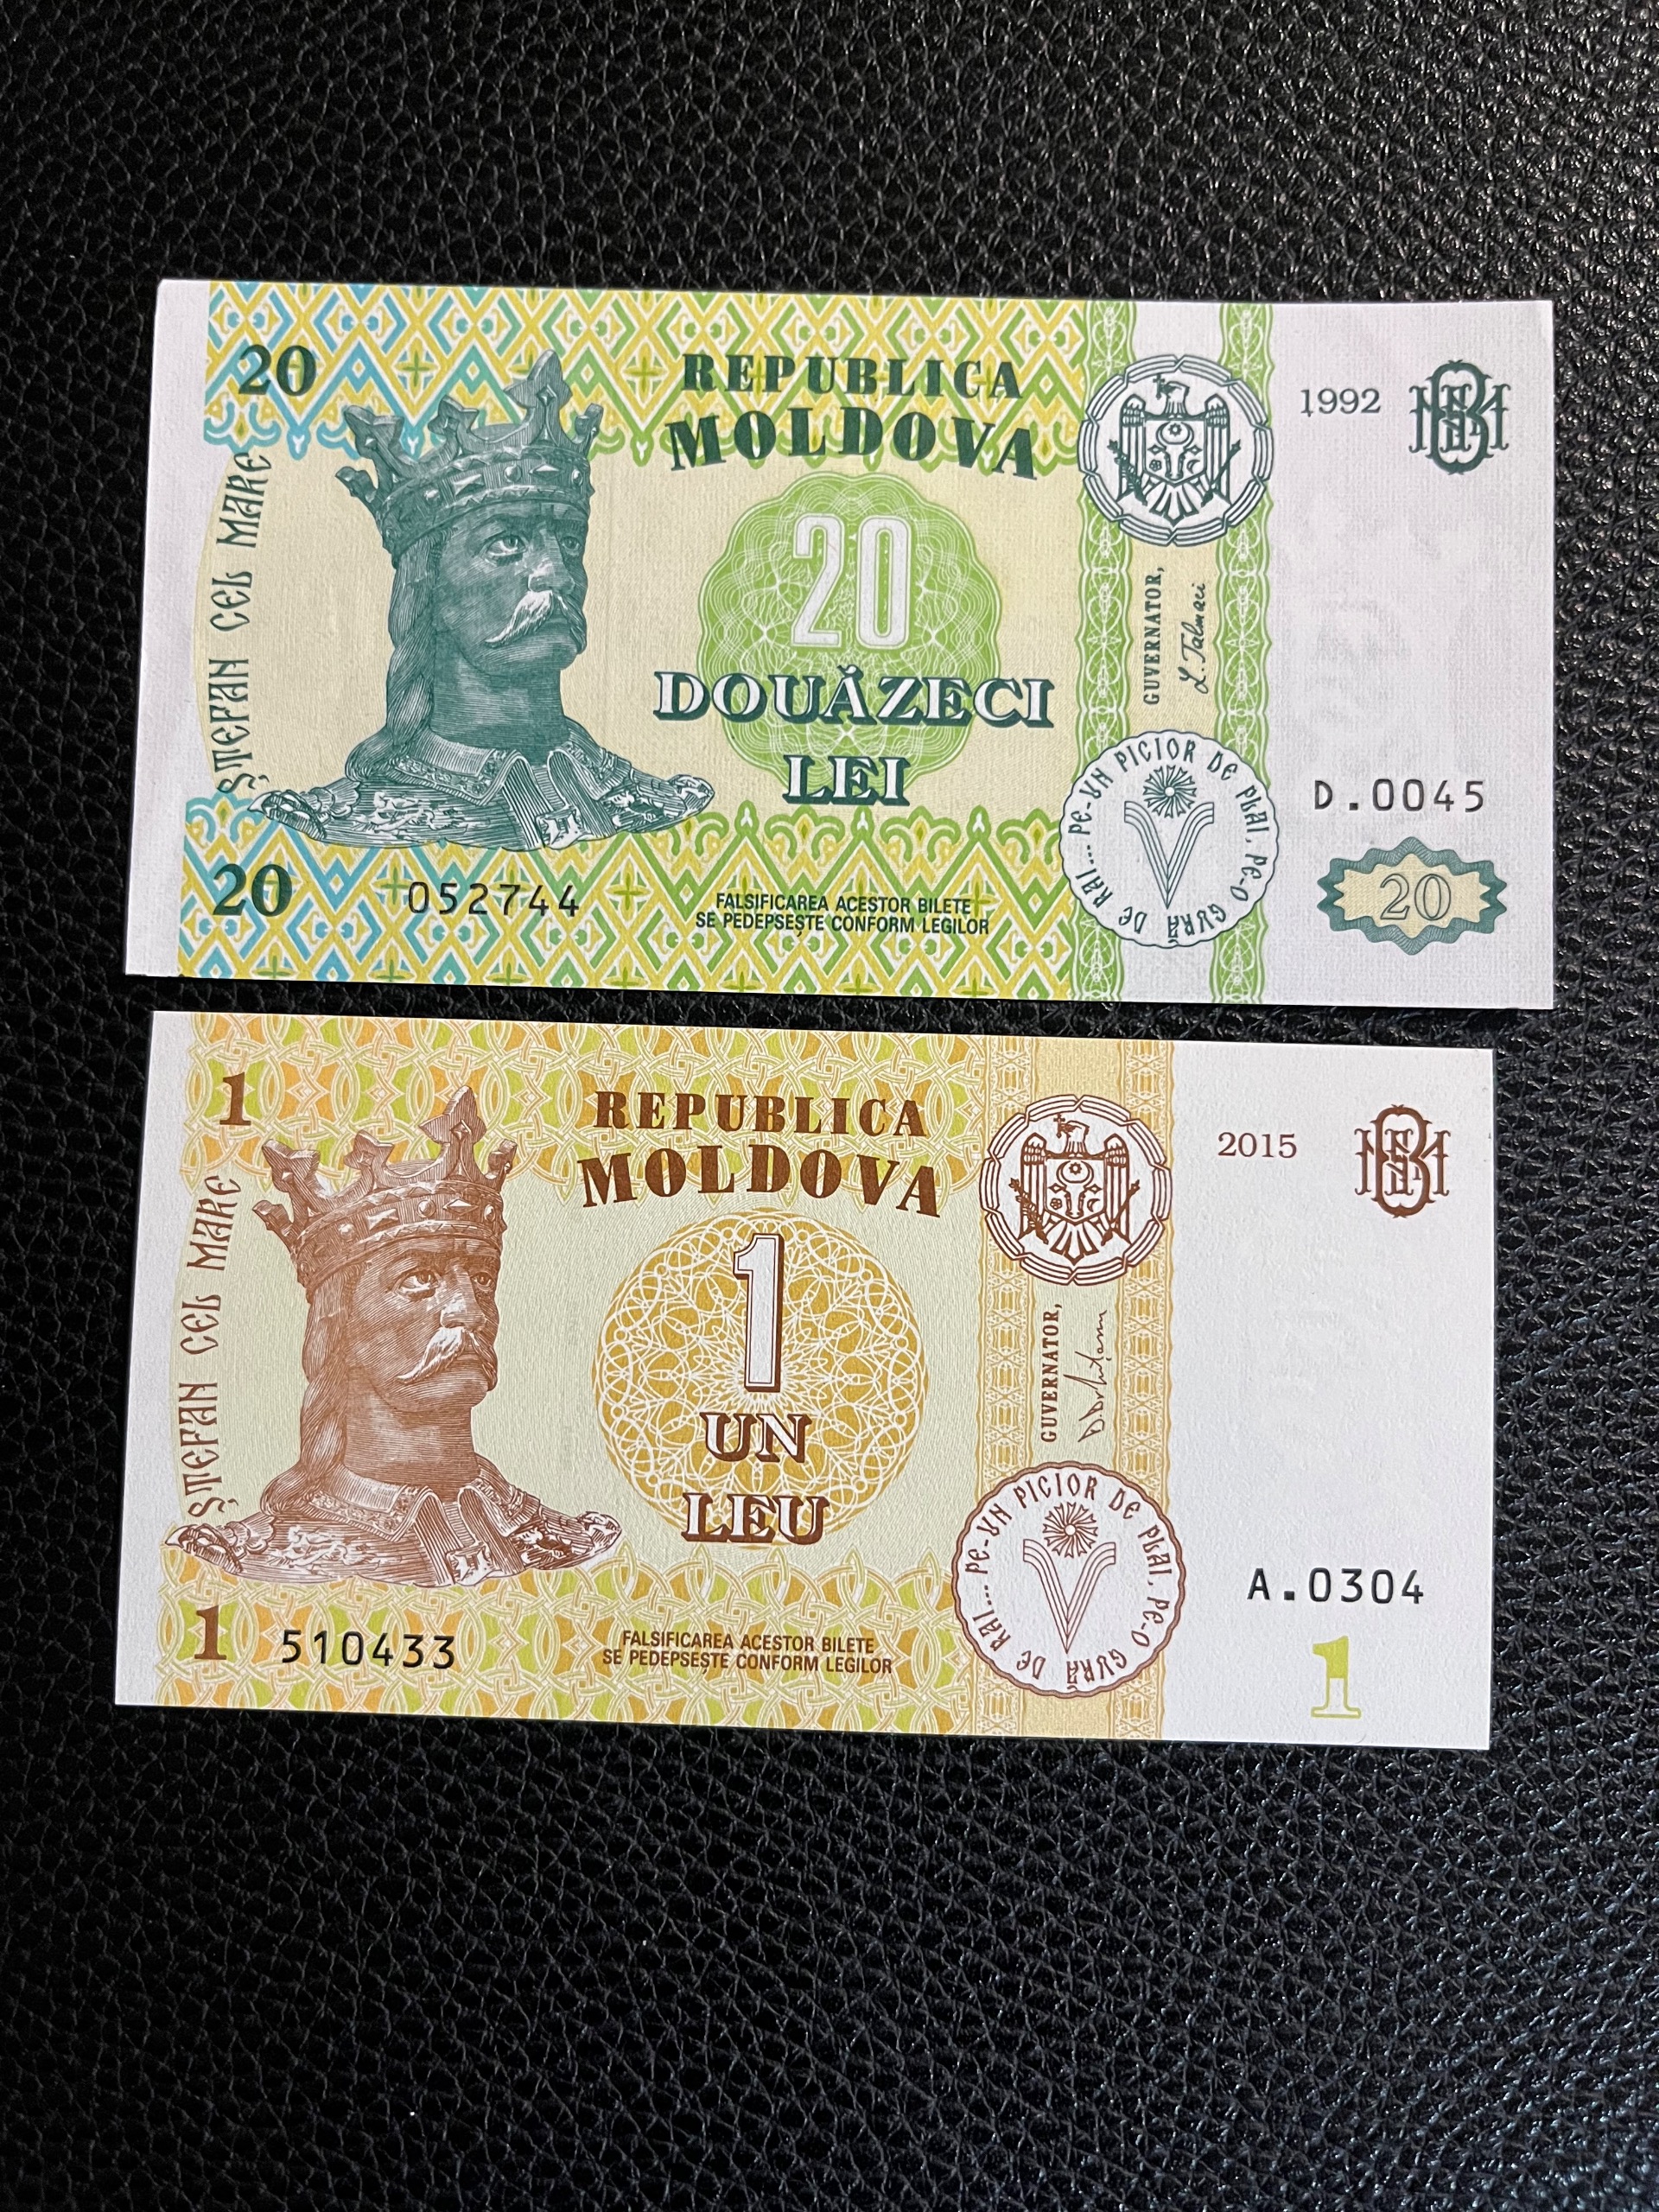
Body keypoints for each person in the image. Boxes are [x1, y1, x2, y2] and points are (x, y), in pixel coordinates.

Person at [258, 349, 713, 849]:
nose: (557, 574)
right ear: (427, 587)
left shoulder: (662, 807)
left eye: (569, 542)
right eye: (507, 542)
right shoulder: (338, 825)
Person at [172, 1090, 621, 1586]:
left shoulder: (576, 1547)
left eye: (482, 1278)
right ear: (337, 1324)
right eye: (419, 1279)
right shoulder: (247, 1562)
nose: (469, 1311)